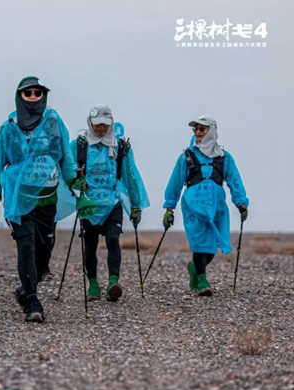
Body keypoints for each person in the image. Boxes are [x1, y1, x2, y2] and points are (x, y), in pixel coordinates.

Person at [0, 76, 77, 323]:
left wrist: (75, 182)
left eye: (38, 92)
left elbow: (66, 158)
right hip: (18, 200)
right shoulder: (8, 128)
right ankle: (33, 302)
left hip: (47, 200)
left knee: (44, 252)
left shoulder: (55, 123)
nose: (34, 96)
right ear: (19, 97)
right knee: (26, 245)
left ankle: (25, 290)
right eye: (28, 93)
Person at [70, 104, 149, 302]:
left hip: (113, 202)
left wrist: (136, 205)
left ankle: (114, 282)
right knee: (90, 244)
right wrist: (75, 186)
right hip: (89, 204)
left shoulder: (119, 146)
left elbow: (131, 176)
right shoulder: (79, 146)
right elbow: (68, 171)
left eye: (105, 124)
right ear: (90, 123)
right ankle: (93, 285)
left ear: (111, 123)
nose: (101, 128)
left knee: (113, 240)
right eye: (97, 124)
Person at [163, 116, 248, 296]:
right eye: (196, 129)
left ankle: (195, 268)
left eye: (202, 129)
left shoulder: (224, 157)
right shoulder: (186, 156)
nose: (198, 133)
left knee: (212, 246)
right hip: (193, 206)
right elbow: (175, 182)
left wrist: (241, 202)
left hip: (216, 207)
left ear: (212, 130)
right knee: (200, 243)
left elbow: (234, 180)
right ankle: (202, 280)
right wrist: (169, 207)